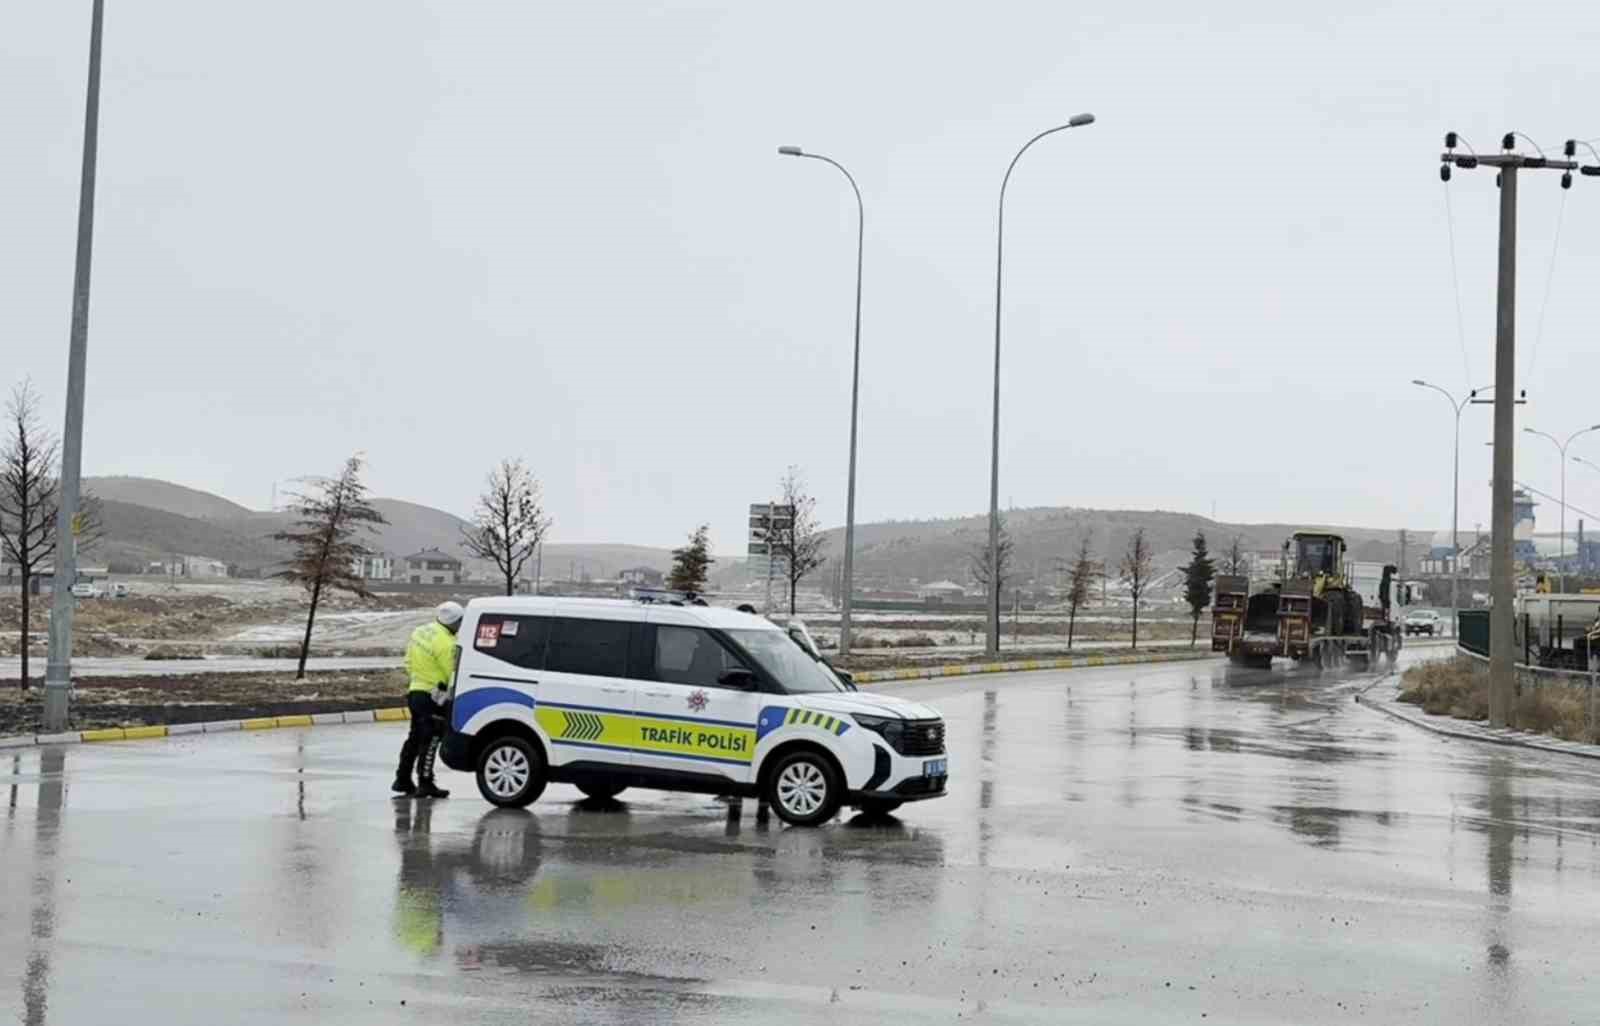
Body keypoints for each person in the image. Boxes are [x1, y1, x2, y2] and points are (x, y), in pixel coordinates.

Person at [394, 601, 462, 798]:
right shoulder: (447, 643)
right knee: (431, 738)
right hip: (434, 696)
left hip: (415, 691)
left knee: (414, 737)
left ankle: (402, 779)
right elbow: (452, 673)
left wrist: (419, 678)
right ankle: (425, 782)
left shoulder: (420, 632)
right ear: (455, 622)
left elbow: (408, 661)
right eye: (460, 622)